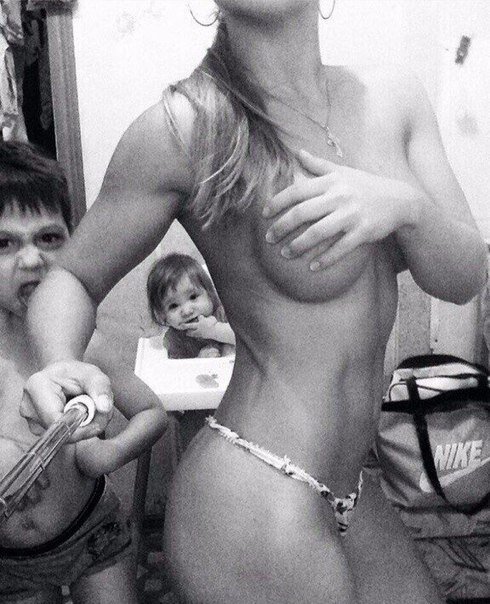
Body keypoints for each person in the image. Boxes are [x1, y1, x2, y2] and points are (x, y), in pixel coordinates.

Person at [20, 1, 488, 602]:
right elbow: (73, 278)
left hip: (350, 484)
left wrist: (406, 208)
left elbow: (462, 278)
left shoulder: (394, 96)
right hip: (253, 490)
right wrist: (60, 362)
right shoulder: (184, 129)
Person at [0, 141, 168, 604]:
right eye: (4, 243)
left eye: (49, 238)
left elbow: (152, 413)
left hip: (92, 536)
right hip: (10, 562)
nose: (31, 260)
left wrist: (110, 453)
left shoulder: (84, 346)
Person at [147, 252, 235, 359]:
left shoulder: (224, 314)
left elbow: (249, 339)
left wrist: (214, 330)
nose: (187, 311)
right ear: (163, 316)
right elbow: (179, 367)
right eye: (173, 306)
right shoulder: (175, 339)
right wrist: (199, 360)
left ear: (210, 294)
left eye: (193, 297)